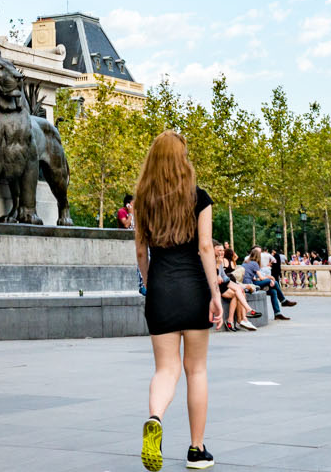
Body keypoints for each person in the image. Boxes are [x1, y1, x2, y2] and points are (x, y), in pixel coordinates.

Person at [133, 130, 218, 472]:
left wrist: (150, 282)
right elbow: (206, 248)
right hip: (194, 289)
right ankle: (197, 450)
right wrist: (215, 293)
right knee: (195, 370)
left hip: (161, 291)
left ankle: (155, 417)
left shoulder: (142, 201)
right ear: (182, 161)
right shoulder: (199, 198)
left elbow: (141, 251)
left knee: (165, 369)